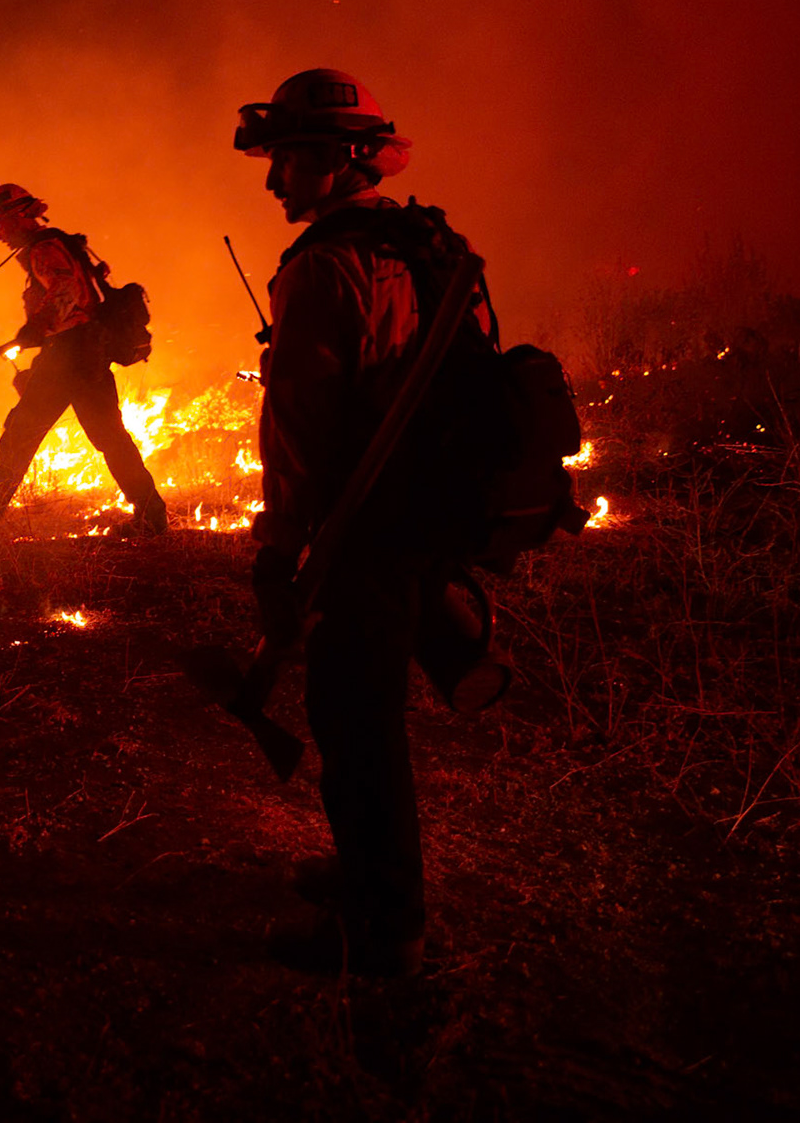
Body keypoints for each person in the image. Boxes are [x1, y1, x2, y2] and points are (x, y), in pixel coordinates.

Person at [234, 68, 491, 978]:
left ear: (340, 161)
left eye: (289, 163)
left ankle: (386, 933)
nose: (273, 184)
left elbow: (301, 428)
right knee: (368, 719)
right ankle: (370, 878)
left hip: (362, 529)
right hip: (423, 514)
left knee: (355, 728)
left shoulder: (323, 267)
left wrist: (279, 550)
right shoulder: (428, 244)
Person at [0, 184, 169, 536]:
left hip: (68, 355)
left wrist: (33, 329)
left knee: (21, 432)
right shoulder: (57, 243)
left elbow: (65, 291)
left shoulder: (45, 249)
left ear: (18, 218)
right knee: (109, 436)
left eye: (0, 223)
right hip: (89, 353)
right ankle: (151, 512)